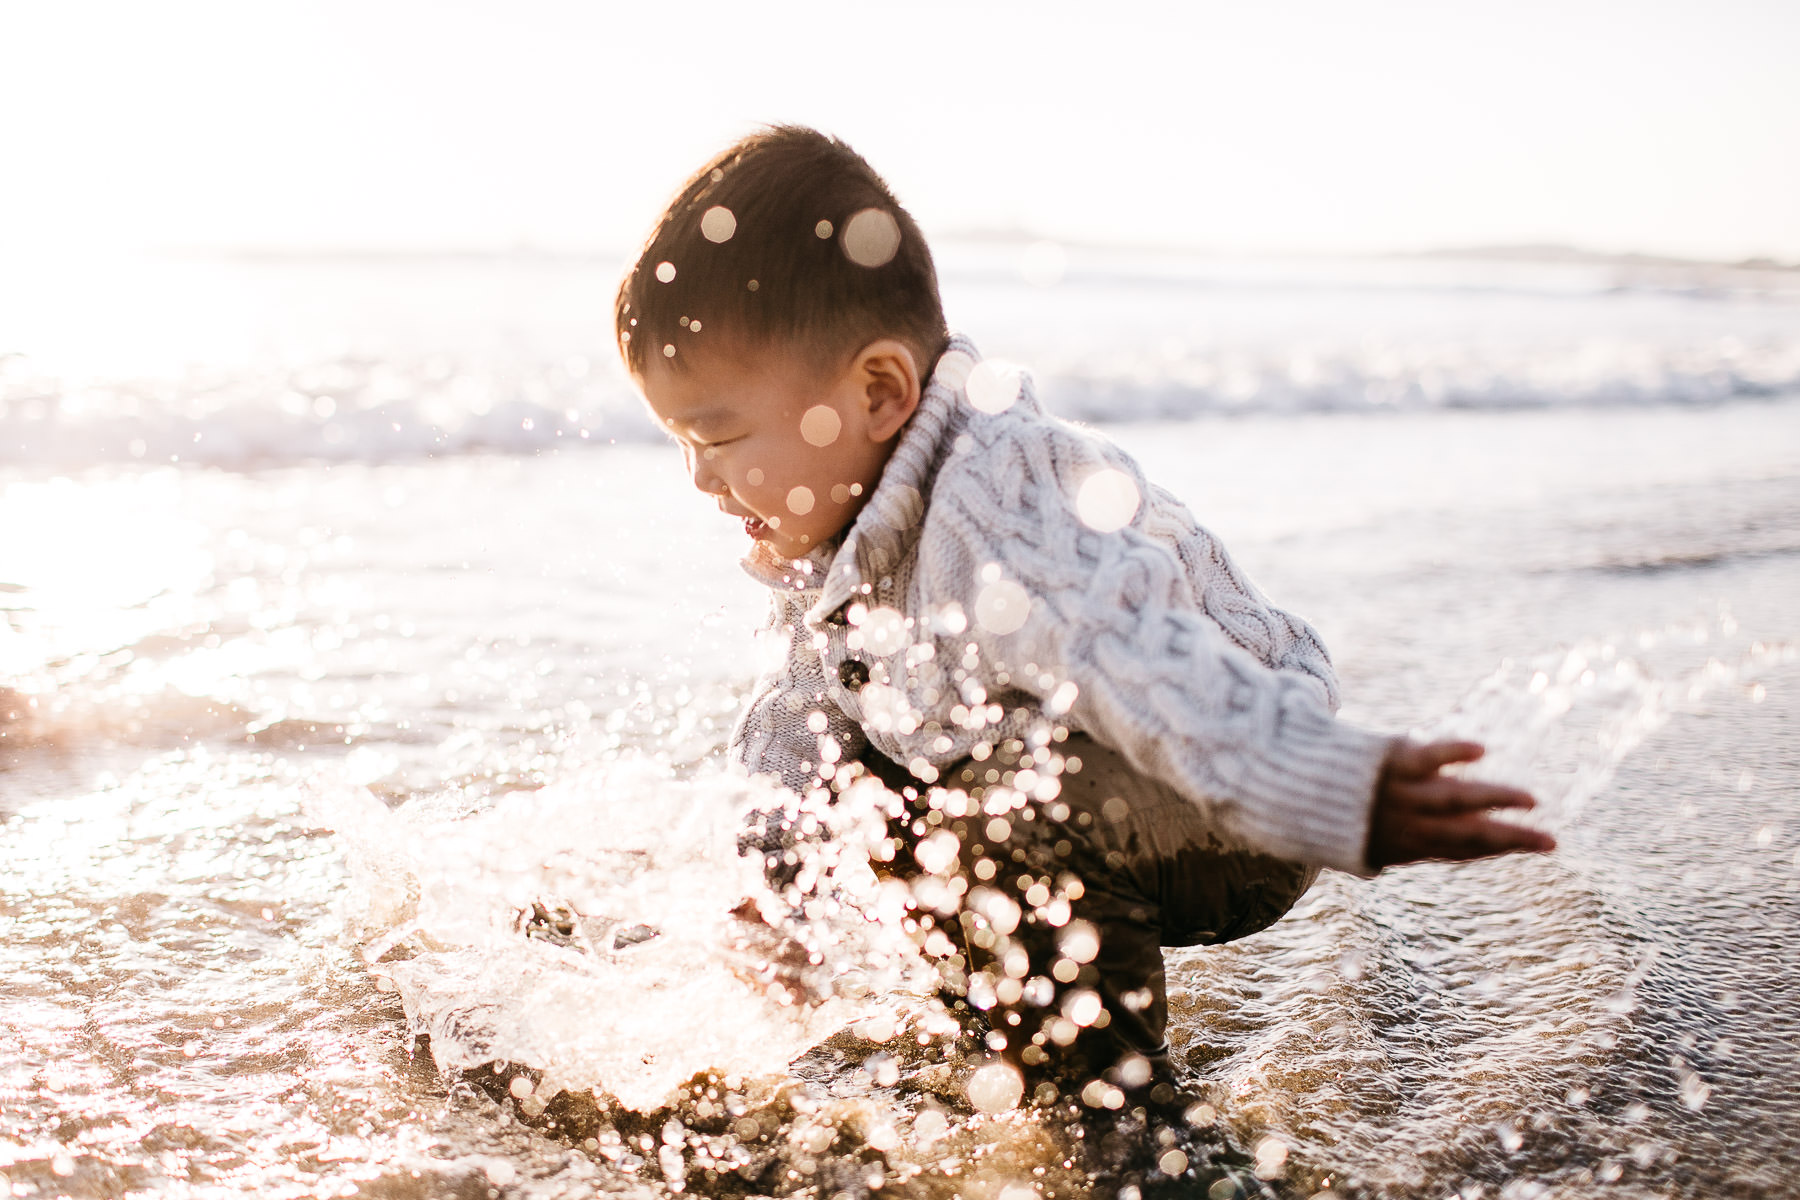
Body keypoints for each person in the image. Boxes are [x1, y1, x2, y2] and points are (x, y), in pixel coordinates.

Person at [613, 125, 1554, 1108]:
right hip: (1090, 769)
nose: (701, 476)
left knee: (991, 827)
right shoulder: (838, 540)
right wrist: (774, 888)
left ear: (881, 391)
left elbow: (1138, 654)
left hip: (1230, 782)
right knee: (889, 781)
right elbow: (799, 713)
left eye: (718, 434)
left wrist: (1327, 786)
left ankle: (1122, 1126)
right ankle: (1006, 1035)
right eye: (680, 440)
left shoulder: (996, 509)